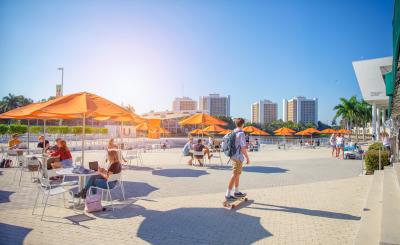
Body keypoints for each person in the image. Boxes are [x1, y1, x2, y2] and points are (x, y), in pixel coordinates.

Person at [225, 118, 250, 201]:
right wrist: (247, 158)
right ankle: (228, 194)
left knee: (237, 174)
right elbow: (243, 148)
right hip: (238, 157)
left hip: (233, 155)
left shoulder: (233, 132)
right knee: (234, 174)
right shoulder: (241, 133)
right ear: (243, 124)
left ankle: (237, 191)